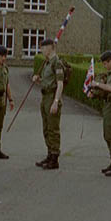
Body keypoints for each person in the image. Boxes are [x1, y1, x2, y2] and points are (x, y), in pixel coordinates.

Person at [31, 38, 64, 170]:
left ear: (50, 47)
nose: (42, 50)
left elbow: (60, 84)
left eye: (43, 47)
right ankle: (50, 154)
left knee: (53, 129)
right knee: (46, 128)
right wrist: (38, 80)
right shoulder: (47, 63)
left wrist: (56, 102)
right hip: (45, 97)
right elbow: (47, 81)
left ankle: (54, 158)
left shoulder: (57, 63)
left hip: (52, 97)